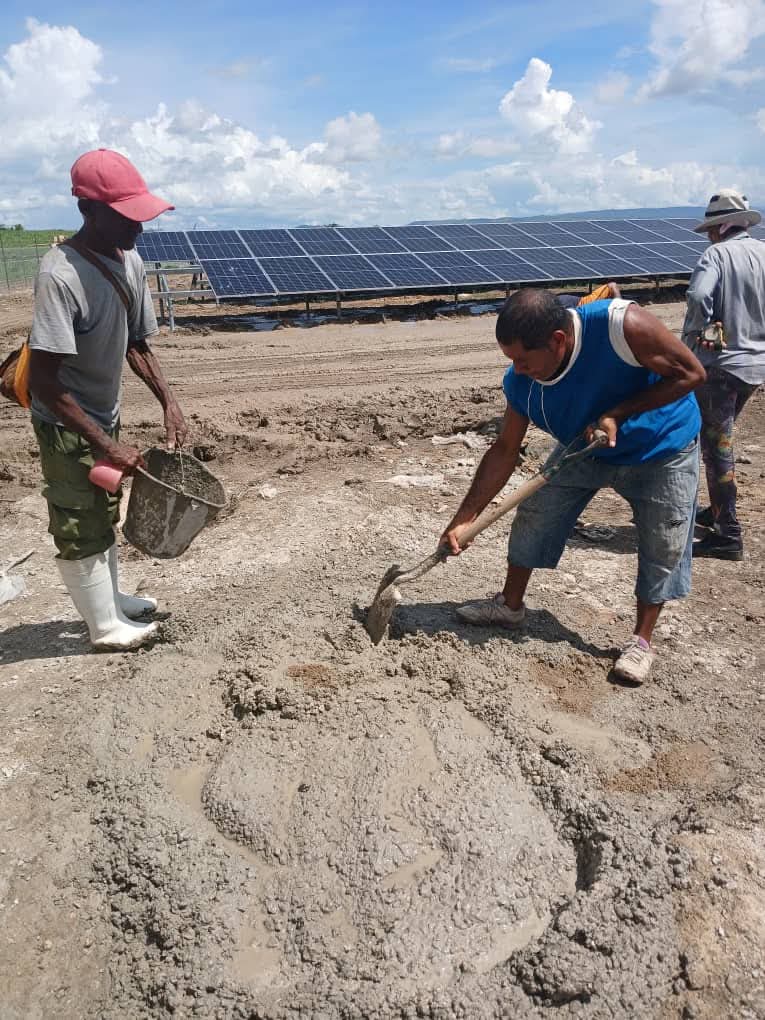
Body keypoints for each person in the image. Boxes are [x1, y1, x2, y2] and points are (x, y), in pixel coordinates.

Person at [440, 289, 705, 685]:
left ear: (558, 341)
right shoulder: (521, 383)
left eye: (523, 359)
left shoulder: (621, 325)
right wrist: (463, 520)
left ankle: (641, 642)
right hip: (584, 448)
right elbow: (505, 450)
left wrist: (618, 412)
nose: (517, 368)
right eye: (511, 359)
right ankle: (509, 607)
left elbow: (692, 373)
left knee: (663, 542)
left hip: (662, 447)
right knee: (536, 514)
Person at [28, 149, 187, 650]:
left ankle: (111, 602)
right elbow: (46, 384)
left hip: (102, 415)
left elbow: (136, 343)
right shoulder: (61, 275)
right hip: (65, 420)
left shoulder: (130, 260)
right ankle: (104, 628)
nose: (138, 228)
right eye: (127, 216)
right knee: (79, 515)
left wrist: (168, 400)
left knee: (104, 505)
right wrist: (103, 442)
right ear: (89, 211)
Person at [681, 189, 765, 561]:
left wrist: (699, 333)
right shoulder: (763, 253)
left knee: (717, 451)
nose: (709, 236)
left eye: (712, 229)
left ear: (723, 226)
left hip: (721, 366)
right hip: (756, 364)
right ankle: (716, 511)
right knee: (720, 441)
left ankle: (727, 534)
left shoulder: (716, 255)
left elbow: (699, 296)